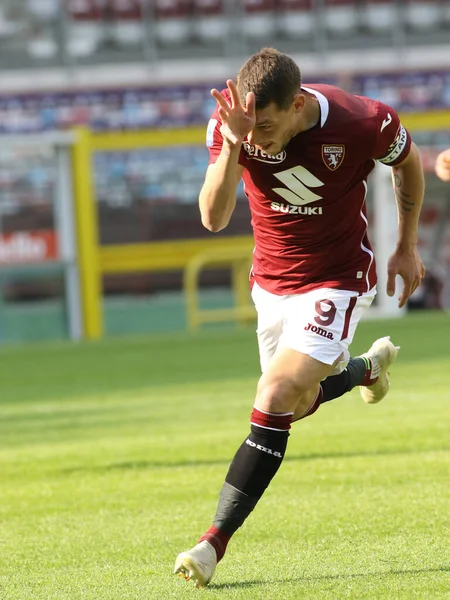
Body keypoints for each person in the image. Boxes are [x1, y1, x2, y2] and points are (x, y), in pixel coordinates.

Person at [174, 48, 426, 588]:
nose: (259, 136)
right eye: (251, 124)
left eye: (267, 124)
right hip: (271, 284)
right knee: (299, 400)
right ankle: (364, 371)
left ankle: (212, 543)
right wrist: (235, 144)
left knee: (275, 393)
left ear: (296, 104)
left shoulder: (362, 122)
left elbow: (406, 161)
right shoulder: (235, 127)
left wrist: (406, 245)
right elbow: (213, 218)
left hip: (337, 279)